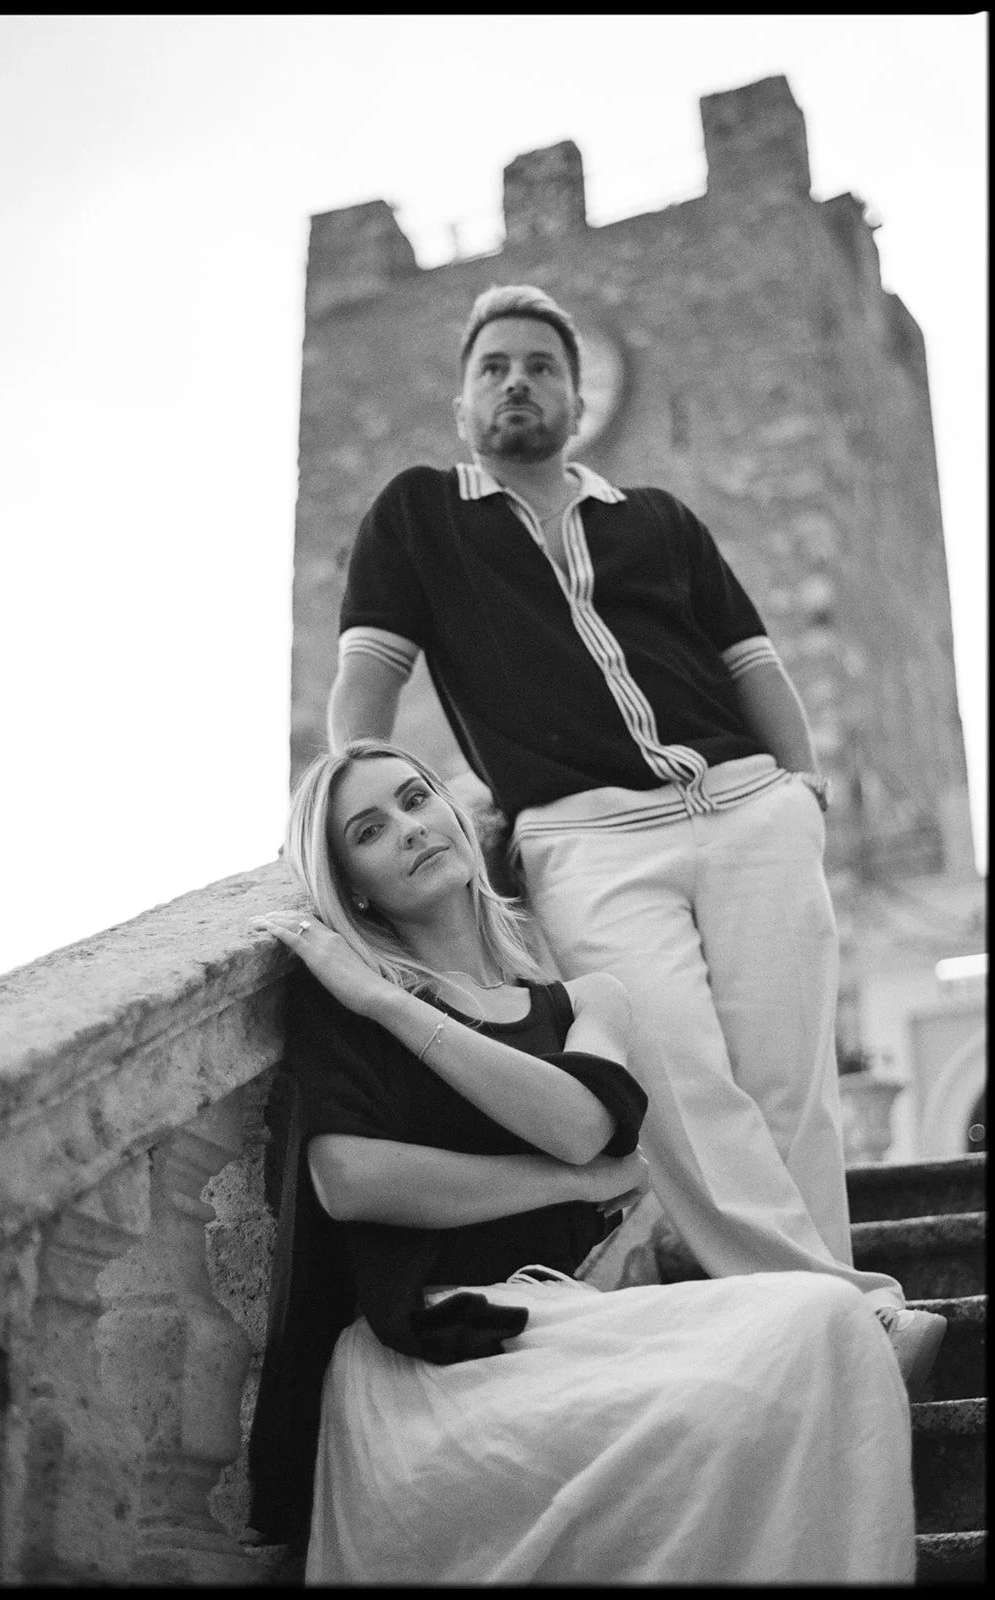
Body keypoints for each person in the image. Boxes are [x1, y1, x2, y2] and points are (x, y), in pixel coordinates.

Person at [324, 282, 945, 1386]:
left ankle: (839, 1340)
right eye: (494, 368)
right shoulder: (417, 515)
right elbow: (363, 684)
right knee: (668, 1078)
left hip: (745, 811)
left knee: (783, 1081)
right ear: (464, 400)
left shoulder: (655, 517)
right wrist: (344, 822)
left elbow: (754, 666)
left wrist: (798, 790)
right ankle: (846, 1318)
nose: (518, 382)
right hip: (585, 835)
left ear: (573, 391)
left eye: (540, 365)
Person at [245, 738, 914, 1584]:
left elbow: (575, 1121)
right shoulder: (339, 996)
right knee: (743, 1391)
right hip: (432, 1358)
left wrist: (400, 1011)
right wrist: (380, 996)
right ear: (354, 889)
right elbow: (350, 1181)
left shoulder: (588, 1001)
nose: (409, 829)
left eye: (416, 800)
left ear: (456, 813)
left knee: (826, 1322)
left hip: (559, 1326)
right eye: (370, 831)